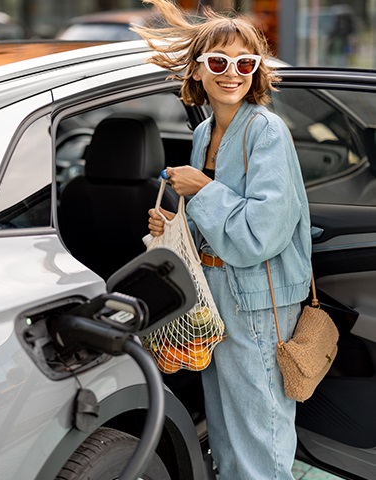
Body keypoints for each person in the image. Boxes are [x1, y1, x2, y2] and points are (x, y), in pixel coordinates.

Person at [133, 1, 312, 479]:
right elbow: (214, 220)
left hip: (257, 302)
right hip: (213, 297)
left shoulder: (266, 131)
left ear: (256, 72)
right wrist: (176, 226)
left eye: (245, 63)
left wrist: (204, 190)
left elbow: (263, 233)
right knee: (228, 430)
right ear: (197, 70)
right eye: (218, 61)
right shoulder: (207, 130)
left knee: (261, 432)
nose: (232, 73)